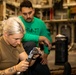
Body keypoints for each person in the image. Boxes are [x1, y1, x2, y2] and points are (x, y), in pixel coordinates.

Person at [18, 0, 52, 75]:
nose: (28, 16)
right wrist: (40, 38)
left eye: (30, 13)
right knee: (30, 44)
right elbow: (21, 36)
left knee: (45, 72)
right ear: (20, 13)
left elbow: (47, 39)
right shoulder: (17, 21)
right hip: (19, 53)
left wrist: (45, 55)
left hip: (35, 53)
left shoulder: (40, 23)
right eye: (25, 14)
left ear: (33, 10)